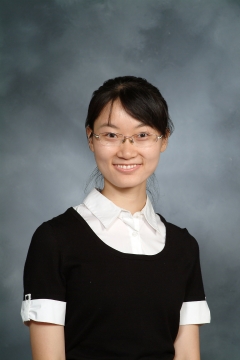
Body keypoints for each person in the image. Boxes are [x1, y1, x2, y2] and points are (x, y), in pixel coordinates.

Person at [21, 76, 210, 360]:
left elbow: (186, 356)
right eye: (111, 135)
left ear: (164, 140)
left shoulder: (184, 247)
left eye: (142, 135)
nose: (126, 150)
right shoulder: (54, 240)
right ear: (90, 139)